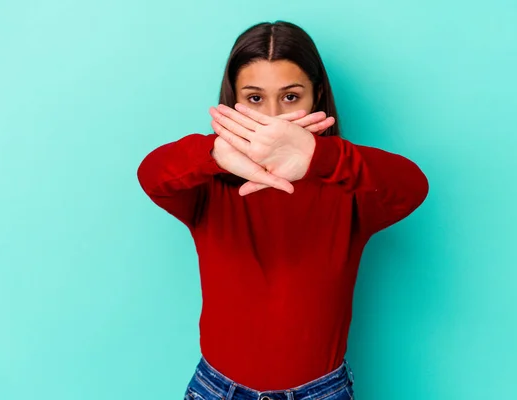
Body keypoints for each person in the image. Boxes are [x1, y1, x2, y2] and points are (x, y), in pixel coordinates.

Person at [137, 20, 429, 400]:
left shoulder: (349, 193)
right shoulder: (207, 188)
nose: (272, 118)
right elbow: (152, 175)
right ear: (233, 102)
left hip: (320, 391)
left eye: (290, 97)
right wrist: (215, 151)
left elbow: (412, 187)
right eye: (255, 99)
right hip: (217, 389)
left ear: (316, 96)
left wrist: (319, 155)